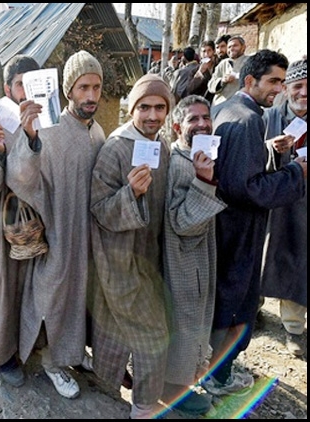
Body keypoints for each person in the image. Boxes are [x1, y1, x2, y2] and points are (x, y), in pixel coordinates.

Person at [205, 49, 307, 397]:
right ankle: (217, 378)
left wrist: (268, 150)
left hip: (222, 225)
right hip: (240, 229)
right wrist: (296, 172)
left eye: (282, 81)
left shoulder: (228, 109)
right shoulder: (248, 118)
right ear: (250, 80)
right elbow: (246, 188)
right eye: (274, 81)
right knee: (235, 301)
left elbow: (234, 165)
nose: (279, 90)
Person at [5, 50, 106, 399]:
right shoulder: (48, 130)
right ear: (68, 91)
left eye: (96, 86)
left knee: (82, 298)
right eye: (83, 87)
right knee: (53, 298)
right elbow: (21, 177)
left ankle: (74, 354)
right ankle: (51, 362)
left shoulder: (97, 132)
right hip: (58, 233)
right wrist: (30, 138)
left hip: (89, 236)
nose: (90, 95)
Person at [89, 74, 172, 419]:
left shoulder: (162, 145)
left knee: (130, 330)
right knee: (154, 335)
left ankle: (115, 382)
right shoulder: (115, 148)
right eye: (145, 107)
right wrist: (130, 194)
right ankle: (142, 408)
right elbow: (98, 208)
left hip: (150, 259)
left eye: (160, 108)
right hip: (119, 258)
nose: (152, 116)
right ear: (132, 109)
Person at [0, 54, 40, 387]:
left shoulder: (48, 118)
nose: (26, 91)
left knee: (35, 289)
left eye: (33, 83)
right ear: (7, 88)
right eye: (20, 84)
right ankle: (3, 355)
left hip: (39, 221)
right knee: (5, 291)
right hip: (5, 223)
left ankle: (34, 348)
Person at [162, 95, 227, 416]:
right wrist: (203, 181)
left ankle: (182, 381)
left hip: (197, 258)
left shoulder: (196, 157)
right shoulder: (179, 165)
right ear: (177, 127)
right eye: (193, 119)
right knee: (184, 324)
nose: (202, 124)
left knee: (192, 322)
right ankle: (172, 390)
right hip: (182, 261)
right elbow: (182, 222)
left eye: (206, 118)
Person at [260, 57, 307, 357]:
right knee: (261, 257)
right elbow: (251, 155)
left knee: (298, 259)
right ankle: (252, 310)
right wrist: (272, 150)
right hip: (270, 202)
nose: (304, 94)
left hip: (303, 204)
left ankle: (293, 328)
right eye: (299, 86)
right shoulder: (268, 117)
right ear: (287, 87)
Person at [208, 35, 248, 105]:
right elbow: (211, 85)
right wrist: (222, 81)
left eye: (235, 46)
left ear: (243, 47)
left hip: (240, 106)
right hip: (220, 104)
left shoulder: (249, 62)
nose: (231, 49)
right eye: (229, 47)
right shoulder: (223, 63)